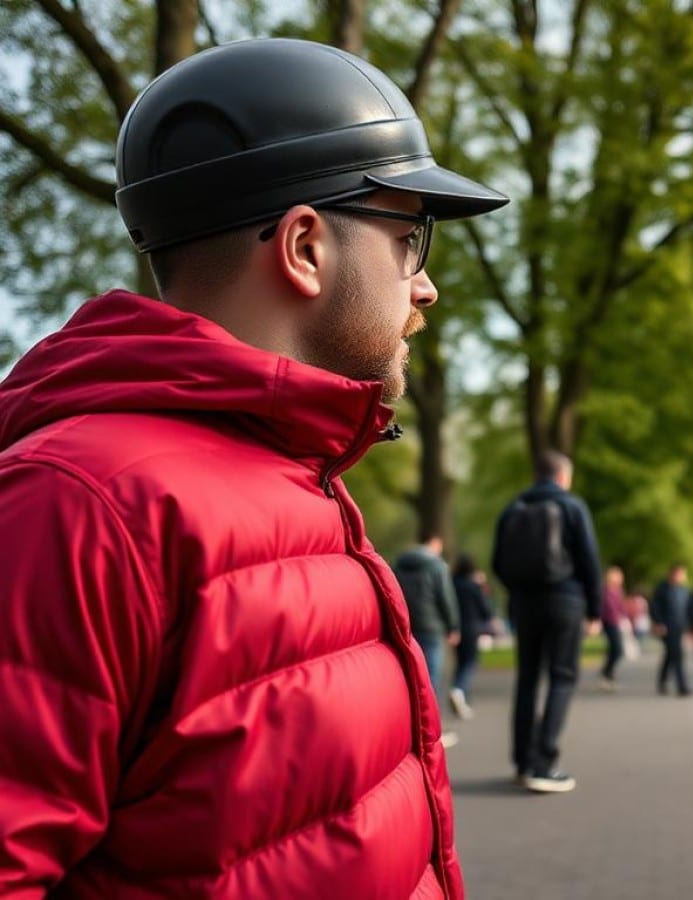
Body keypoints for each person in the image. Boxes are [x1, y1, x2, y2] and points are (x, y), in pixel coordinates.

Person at [0, 37, 508, 897]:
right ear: (305, 246)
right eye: (409, 238)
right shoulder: (79, 507)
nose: (424, 287)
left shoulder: (301, 479)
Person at [492, 450, 602, 794]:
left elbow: (498, 561)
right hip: (565, 600)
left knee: (527, 680)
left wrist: (519, 591)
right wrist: (595, 609)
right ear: (563, 477)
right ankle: (544, 763)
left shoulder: (513, 508)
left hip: (525, 603)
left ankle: (523, 761)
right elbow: (589, 559)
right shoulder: (572, 507)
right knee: (562, 677)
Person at [393, 531, 461, 738]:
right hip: (432, 628)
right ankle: (431, 730)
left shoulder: (398, 565)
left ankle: (410, 728)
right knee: (430, 679)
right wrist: (453, 626)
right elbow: (446, 598)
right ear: (435, 542)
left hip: (406, 627)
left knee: (408, 677)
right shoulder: (437, 566)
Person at [449, 554, 495, 719]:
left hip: (455, 628)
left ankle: (460, 697)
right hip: (471, 628)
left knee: (460, 662)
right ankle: (459, 690)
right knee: (469, 662)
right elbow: (486, 609)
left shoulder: (451, 584)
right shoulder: (473, 586)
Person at [650, 563, 693, 696]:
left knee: (670, 655)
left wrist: (690, 627)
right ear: (672, 574)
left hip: (679, 626)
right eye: (680, 574)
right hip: (666, 627)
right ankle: (682, 686)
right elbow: (654, 607)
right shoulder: (662, 589)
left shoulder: (683, 590)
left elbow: (687, 610)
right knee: (677, 655)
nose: (682, 577)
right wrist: (658, 622)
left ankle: (662, 681)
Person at [599, 565, 629, 690]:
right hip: (608, 622)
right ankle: (607, 673)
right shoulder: (605, 590)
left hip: (617, 622)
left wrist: (625, 619)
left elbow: (621, 607)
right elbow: (604, 608)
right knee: (616, 649)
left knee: (615, 650)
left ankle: (608, 673)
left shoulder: (619, 591)